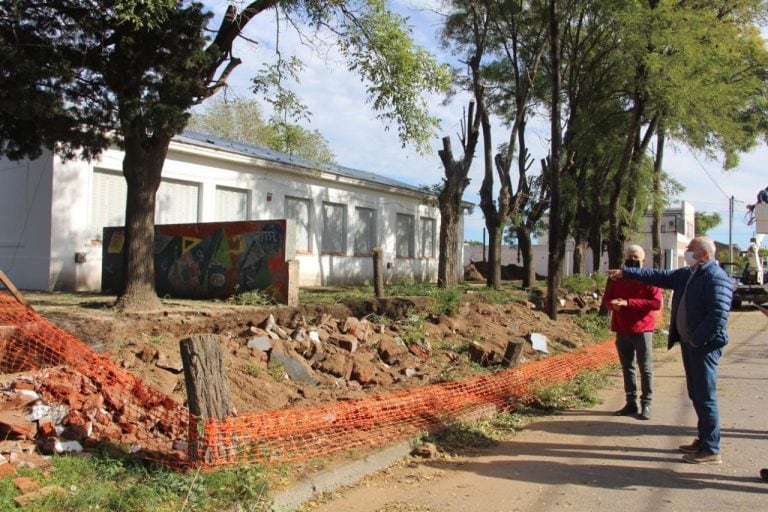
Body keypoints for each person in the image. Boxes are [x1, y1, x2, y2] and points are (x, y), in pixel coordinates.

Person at [608, 236, 733, 465]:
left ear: (704, 254)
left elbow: (718, 316)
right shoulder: (691, 274)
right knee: (697, 394)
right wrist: (627, 273)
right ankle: (704, 440)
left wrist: (696, 340)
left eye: (691, 248)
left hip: (703, 347)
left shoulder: (716, 278)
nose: (686, 251)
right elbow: (660, 276)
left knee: (706, 397)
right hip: (691, 344)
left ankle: (711, 449)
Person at [603, 245, 662, 420]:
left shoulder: (650, 278)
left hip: (643, 329)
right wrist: (612, 304)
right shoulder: (616, 279)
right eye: (629, 256)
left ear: (643, 260)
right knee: (627, 367)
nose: (632, 260)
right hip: (622, 329)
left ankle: (647, 404)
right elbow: (607, 299)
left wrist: (628, 303)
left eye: (636, 257)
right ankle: (631, 403)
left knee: (645, 368)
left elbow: (655, 303)